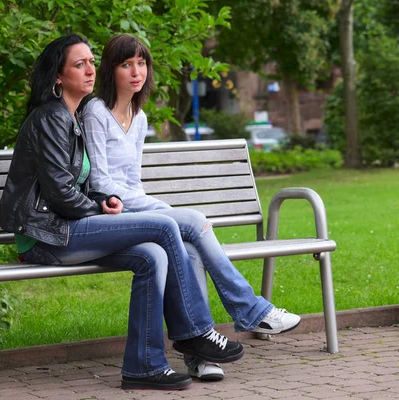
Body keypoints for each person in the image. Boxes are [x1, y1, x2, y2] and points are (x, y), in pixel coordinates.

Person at [0, 33, 247, 391]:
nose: (89, 70)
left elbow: (77, 184)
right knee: (162, 228)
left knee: (152, 256)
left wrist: (100, 198)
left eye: (91, 62)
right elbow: (61, 195)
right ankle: (196, 332)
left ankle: (144, 366)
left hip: (66, 227)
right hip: (45, 236)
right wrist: (99, 205)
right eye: (78, 64)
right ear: (57, 76)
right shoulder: (51, 117)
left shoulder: (73, 116)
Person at [82, 33, 301, 382]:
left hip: (136, 205)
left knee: (186, 247)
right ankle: (249, 310)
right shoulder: (96, 111)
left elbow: (133, 180)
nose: (136, 72)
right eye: (126, 64)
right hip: (112, 214)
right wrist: (156, 207)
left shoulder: (138, 117)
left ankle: (198, 357)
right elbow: (100, 181)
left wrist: (155, 206)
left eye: (141, 63)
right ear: (112, 69)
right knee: (194, 222)